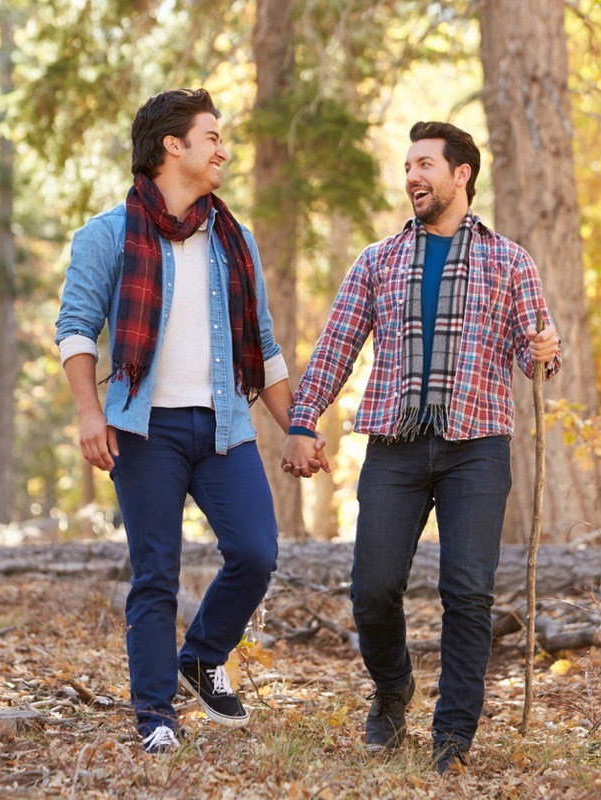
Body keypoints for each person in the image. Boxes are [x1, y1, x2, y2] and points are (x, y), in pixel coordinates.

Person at [281, 121, 561, 774]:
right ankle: (392, 689)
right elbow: (336, 346)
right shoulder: (377, 260)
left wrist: (545, 353)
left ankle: (452, 736)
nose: (412, 176)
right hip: (396, 448)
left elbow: (531, 355)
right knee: (373, 589)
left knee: (467, 591)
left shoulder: (510, 260)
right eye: (408, 165)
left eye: (425, 164)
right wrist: (303, 419)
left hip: (477, 448)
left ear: (461, 174)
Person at [55, 88, 323, 755]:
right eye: (211, 137)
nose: (222, 149)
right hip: (145, 431)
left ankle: (202, 656)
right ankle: (156, 718)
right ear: (172, 146)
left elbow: (262, 342)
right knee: (156, 573)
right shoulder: (107, 235)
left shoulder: (233, 239)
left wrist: (299, 425)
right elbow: (76, 330)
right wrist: (91, 414)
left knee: (257, 552)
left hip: (223, 426)